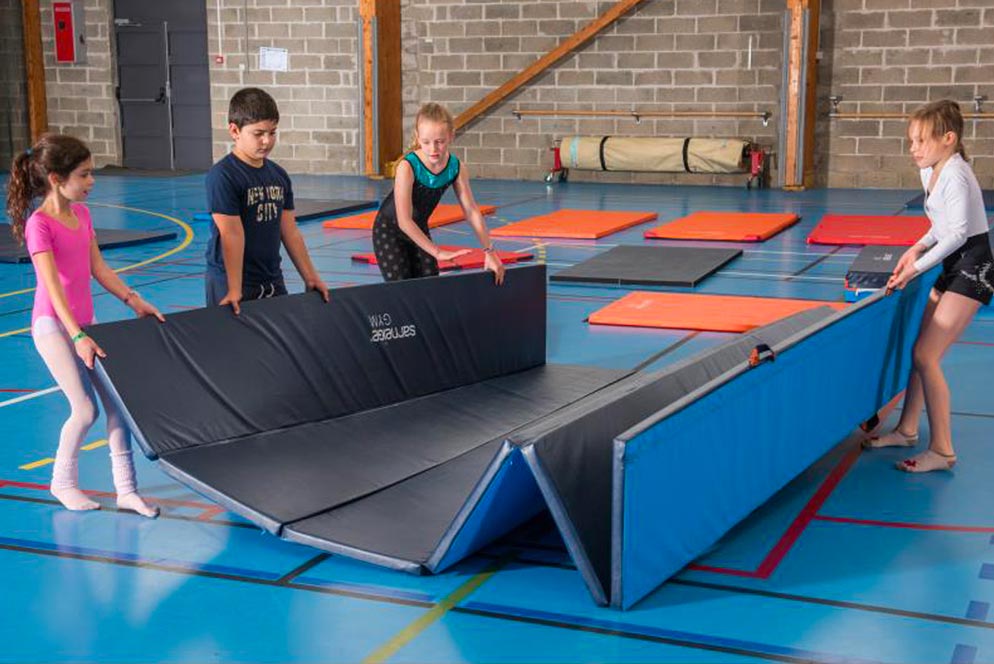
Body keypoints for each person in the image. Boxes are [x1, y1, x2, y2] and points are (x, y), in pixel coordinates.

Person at [6, 133, 163, 515]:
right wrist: (76, 335)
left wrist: (133, 299)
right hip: (53, 327)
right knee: (84, 409)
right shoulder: (39, 225)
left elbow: (97, 268)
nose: (92, 182)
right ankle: (62, 483)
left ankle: (126, 491)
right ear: (57, 179)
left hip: (84, 325)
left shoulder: (84, 215)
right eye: (85, 175)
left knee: (118, 407)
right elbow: (51, 288)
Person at [864, 100, 993, 472]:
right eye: (911, 141)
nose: (913, 148)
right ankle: (907, 429)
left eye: (921, 140)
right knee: (918, 349)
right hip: (952, 259)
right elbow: (940, 226)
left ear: (949, 139)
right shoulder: (930, 170)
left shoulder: (955, 173)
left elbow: (957, 234)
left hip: (973, 264)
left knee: (926, 356)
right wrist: (915, 248)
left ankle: (943, 450)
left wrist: (915, 268)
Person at [206, 87, 328, 313]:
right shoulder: (223, 176)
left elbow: (289, 231)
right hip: (231, 281)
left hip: (271, 278)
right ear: (234, 130)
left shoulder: (279, 175)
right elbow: (231, 234)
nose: (266, 141)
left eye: (272, 132)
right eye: (258, 133)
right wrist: (234, 289)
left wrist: (310, 276)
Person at [372, 102, 504, 284]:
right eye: (426, 142)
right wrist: (437, 251)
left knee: (430, 281)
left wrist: (490, 251)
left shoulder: (455, 168)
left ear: (451, 136)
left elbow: (471, 211)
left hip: (418, 227)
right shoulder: (408, 166)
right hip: (390, 231)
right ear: (418, 138)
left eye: (439, 142)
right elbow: (404, 221)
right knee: (401, 286)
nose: (433, 149)